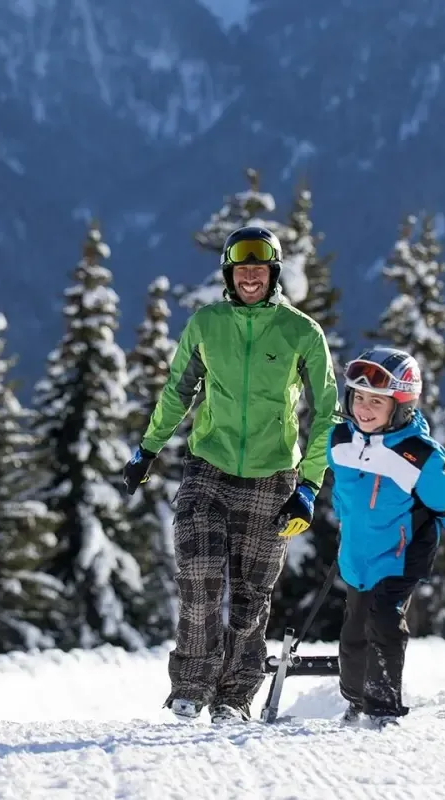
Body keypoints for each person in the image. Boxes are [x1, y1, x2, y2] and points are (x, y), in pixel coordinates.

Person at [124, 225, 339, 724]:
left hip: (274, 474)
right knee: (199, 574)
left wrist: (309, 485)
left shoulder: (301, 331)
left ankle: (235, 697)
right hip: (210, 464)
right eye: (241, 269)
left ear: (273, 274)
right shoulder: (206, 324)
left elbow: (327, 412)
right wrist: (147, 449)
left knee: (251, 592)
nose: (249, 277)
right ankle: (190, 688)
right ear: (229, 273)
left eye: (259, 269)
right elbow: (178, 390)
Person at [326, 346, 445, 729]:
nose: (365, 409)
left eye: (377, 402)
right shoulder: (339, 441)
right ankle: (355, 699)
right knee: (353, 632)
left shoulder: (420, 456)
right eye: (359, 398)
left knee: (383, 619)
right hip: (357, 552)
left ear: (400, 406)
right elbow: (342, 492)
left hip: (403, 552)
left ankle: (383, 707)